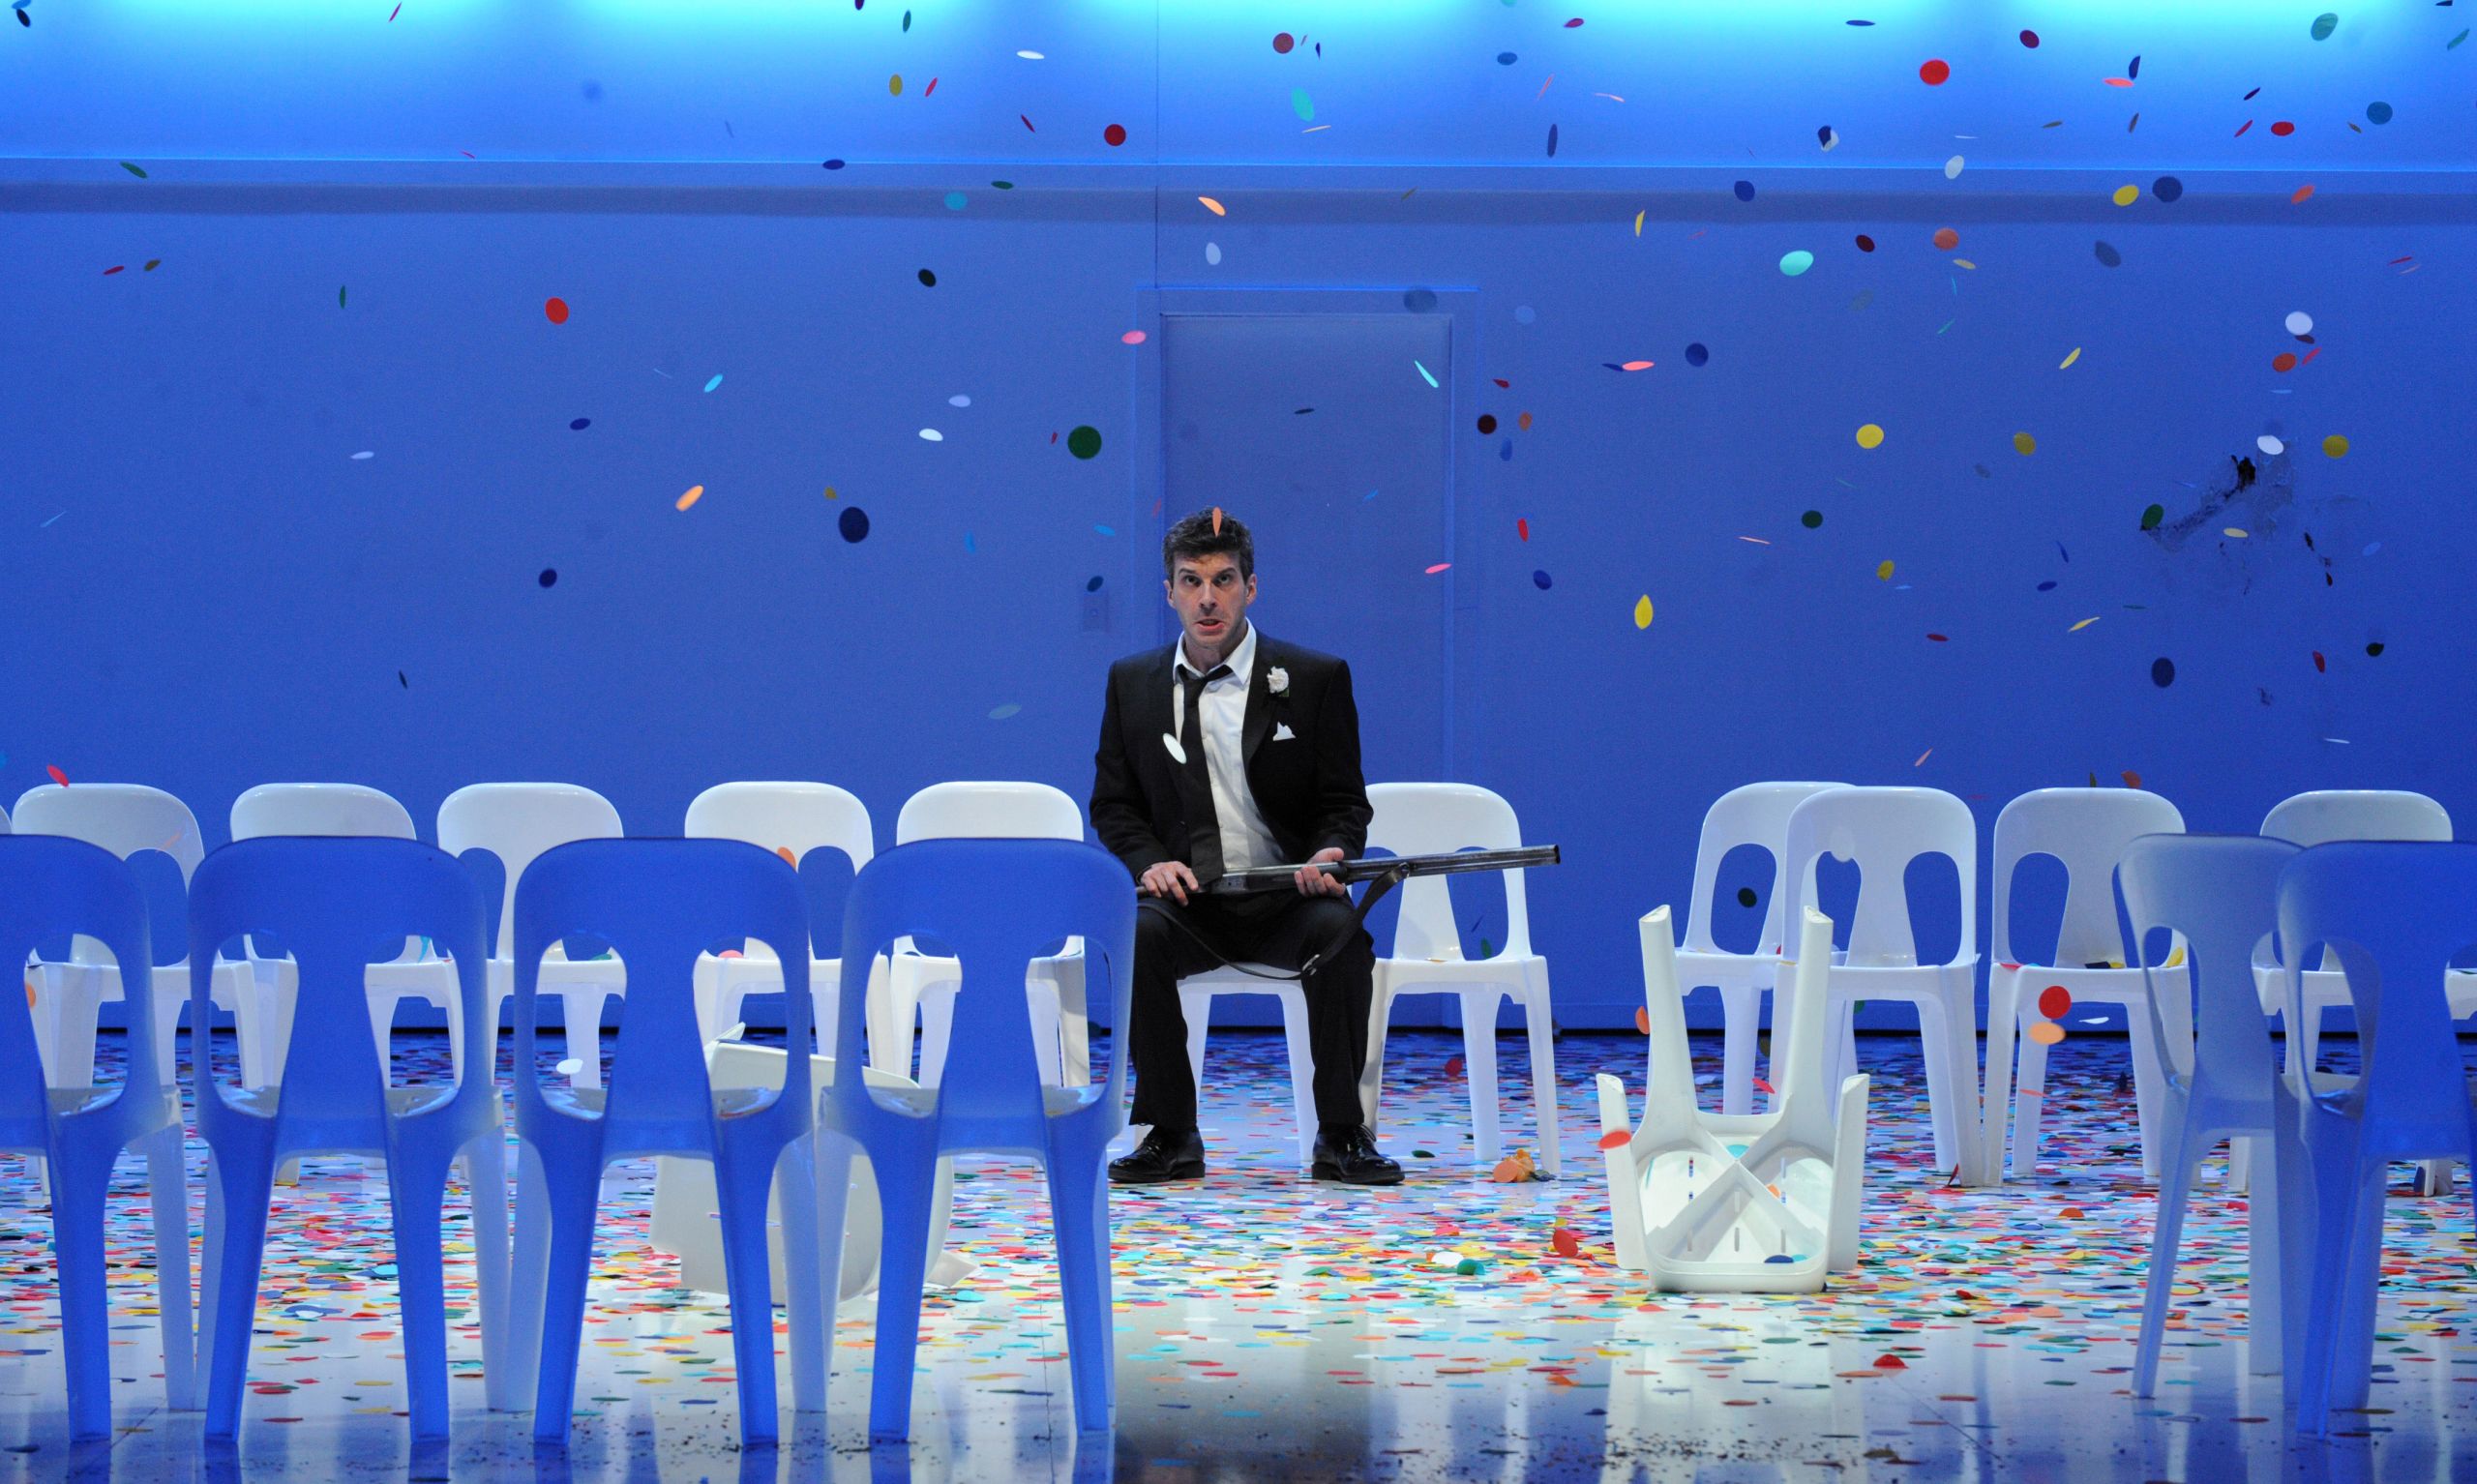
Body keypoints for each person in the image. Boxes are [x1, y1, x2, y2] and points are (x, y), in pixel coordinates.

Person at [1089, 509, 1403, 1186]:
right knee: (1135, 934)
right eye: (1192, 581)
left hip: (1287, 899)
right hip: (1189, 904)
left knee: (1343, 936)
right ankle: (1170, 1133)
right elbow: (1113, 805)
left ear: (1250, 588)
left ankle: (1343, 1134)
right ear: (1168, 591)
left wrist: (1330, 853)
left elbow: (1345, 804)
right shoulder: (1131, 683)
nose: (1208, 598)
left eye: (1224, 580)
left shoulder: (1316, 678)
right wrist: (1149, 861)